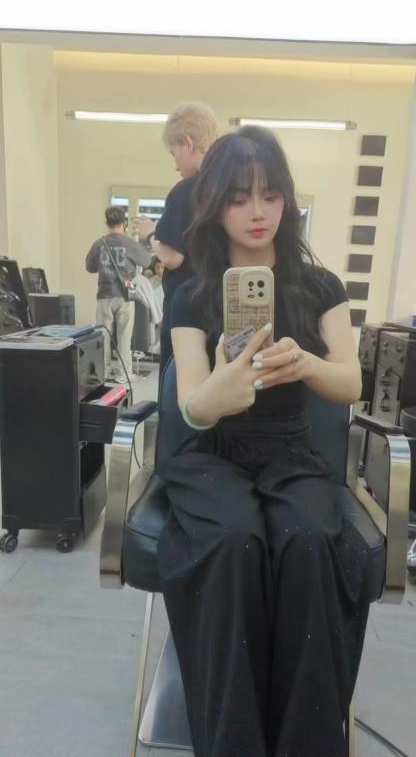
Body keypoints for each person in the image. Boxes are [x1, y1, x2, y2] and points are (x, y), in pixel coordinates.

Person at [156, 127, 371, 757]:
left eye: (271, 195)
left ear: (287, 200)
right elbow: (192, 405)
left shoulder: (322, 287)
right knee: (233, 541)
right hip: (210, 456)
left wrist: (305, 363)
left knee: (309, 543)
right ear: (214, 204)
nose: (258, 212)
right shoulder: (191, 295)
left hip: (291, 451)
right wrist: (218, 392)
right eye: (239, 198)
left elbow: (351, 383)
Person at [131, 101, 218, 374]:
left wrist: (151, 233)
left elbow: (172, 257)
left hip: (186, 306)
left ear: (188, 143)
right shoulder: (223, 188)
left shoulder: (185, 191)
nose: (175, 165)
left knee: (178, 380)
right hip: (218, 306)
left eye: (174, 153)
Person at [86, 206, 151, 383]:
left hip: (104, 296)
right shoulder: (130, 243)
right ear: (124, 223)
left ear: (107, 223)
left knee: (104, 337)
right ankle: (124, 374)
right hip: (125, 296)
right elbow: (147, 261)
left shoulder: (99, 243)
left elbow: (89, 267)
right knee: (124, 337)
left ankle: (104, 372)